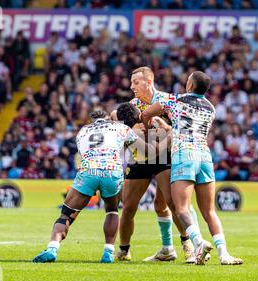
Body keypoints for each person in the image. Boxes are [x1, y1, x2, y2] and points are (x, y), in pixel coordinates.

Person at [141, 71, 243, 265]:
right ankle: (224, 254)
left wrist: (148, 131)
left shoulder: (175, 100)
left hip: (184, 154)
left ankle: (198, 242)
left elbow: (146, 113)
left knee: (181, 208)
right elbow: (189, 126)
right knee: (209, 211)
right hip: (204, 155)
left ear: (189, 86)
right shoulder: (211, 108)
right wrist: (168, 126)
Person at [32, 109, 158, 263]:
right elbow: (147, 153)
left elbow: (86, 152)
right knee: (112, 210)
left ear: (91, 121)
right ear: (108, 118)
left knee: (66, 214)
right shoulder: (121, 128)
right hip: (112, 171)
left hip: (89, 171)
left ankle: (52, 248)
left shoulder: (82, 132)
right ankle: (108, 252)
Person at [112, 67, 204, 263]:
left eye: (135, 82)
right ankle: (125, 250)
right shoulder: (132, 106)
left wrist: (165, 131)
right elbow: (118, 122)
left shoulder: (168, 101)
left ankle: (187, 245)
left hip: (164, 156)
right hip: (140, 157)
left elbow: (179, 128)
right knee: (128, 207)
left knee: (170, 203)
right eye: (131, 82)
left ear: (149, 82)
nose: (131, 86)